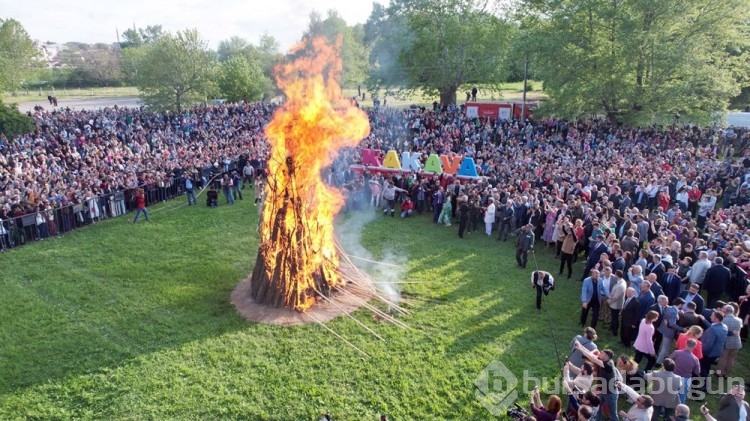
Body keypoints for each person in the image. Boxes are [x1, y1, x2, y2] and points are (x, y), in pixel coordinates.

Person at [574, 344, 619, 421]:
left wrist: (580, 348)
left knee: (613, 414)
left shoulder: (608, 365)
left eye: (602, 353)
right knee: (598, 407)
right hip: (602, 391)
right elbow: (591, 354)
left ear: (606, 356)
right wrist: (580, 346)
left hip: (611, 393)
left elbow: (592, 358)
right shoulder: (603, 360)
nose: (599, 354)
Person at [670, 338, 701, 404]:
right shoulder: (695, 359)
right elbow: (697, 372)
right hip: (686, 379)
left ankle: (663, 410)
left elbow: (668, 362)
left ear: (686, 343)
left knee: (669, 394)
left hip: (673, 376)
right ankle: (680, 411)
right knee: (682, 396)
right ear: (694, 347)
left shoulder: (676, 353)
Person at [716, 304, 742, 377]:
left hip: (727, 342)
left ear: (726, 311)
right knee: (731, 359)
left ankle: (719, 373)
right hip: (736, 343)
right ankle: (726, 374)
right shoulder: (739, 320)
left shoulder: (724, 320)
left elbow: (722, 331)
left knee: (723, 358)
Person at [608, 270, 627, 336]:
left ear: (617, 275)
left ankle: (614, 332)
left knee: (615, 318)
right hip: (615, 304)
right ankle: (612, 327)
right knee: (613, 317)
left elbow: (615, 297)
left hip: (615, 305)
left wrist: (609, 302)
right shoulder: (622, 281)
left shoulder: (620, 285)